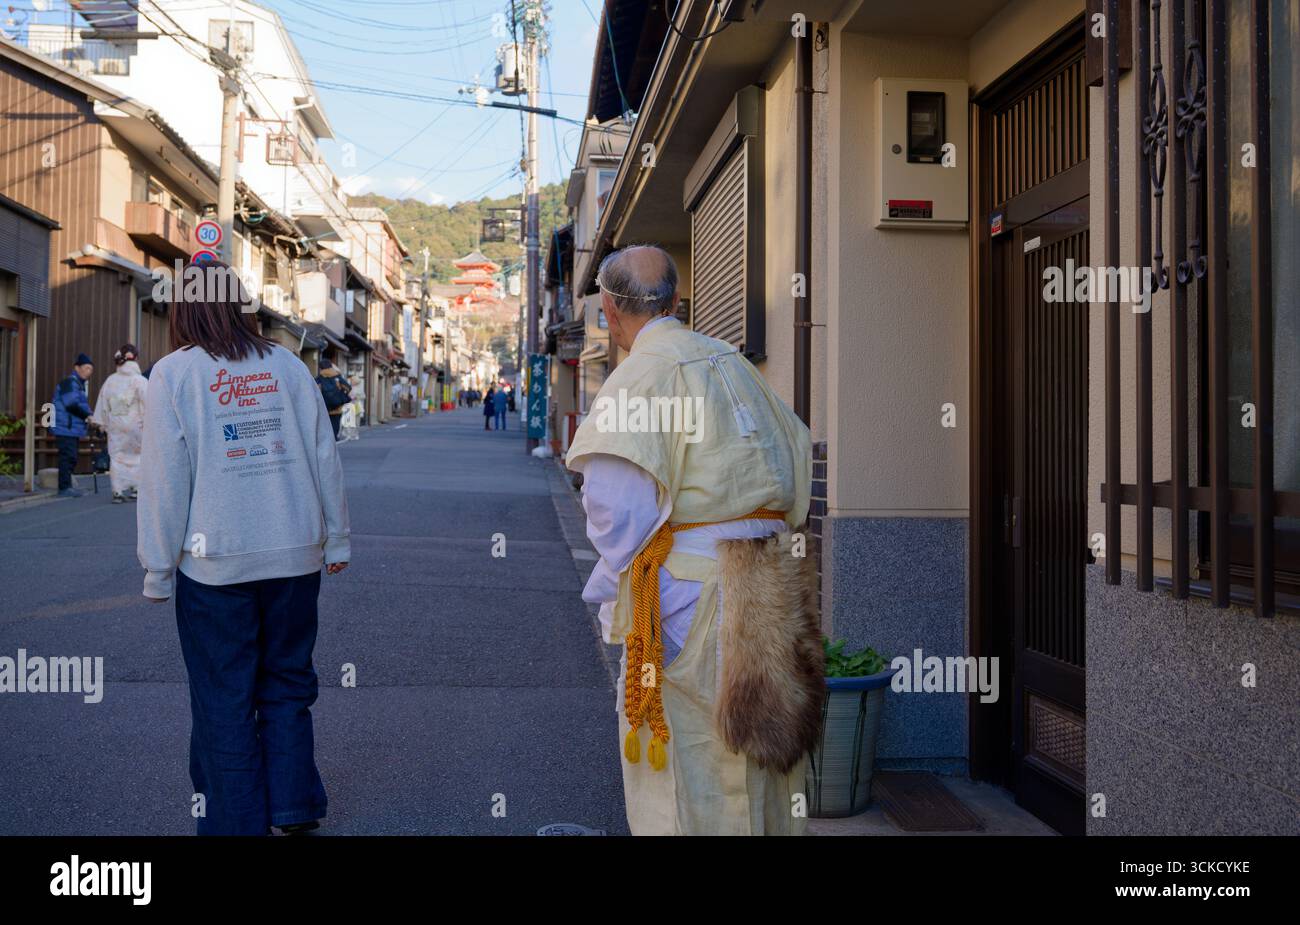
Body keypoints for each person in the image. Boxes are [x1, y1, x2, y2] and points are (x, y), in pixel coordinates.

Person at [566, 245, 821, 836]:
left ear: (608, 307)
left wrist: (612, 582)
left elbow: (617, 506)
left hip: (695, 586)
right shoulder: (731, 362)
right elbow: (798, 452)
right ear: (677, 300)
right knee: (762, 746)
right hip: (770, 576)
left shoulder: (646, 372)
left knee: (695, 746)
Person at [137, 260, 350, 836]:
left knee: (224, 696)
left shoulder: (174, 374)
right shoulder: (285, 364)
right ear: (239, 303)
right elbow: (322, 454)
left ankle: (236, 823)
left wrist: (158, 569)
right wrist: (337, 536)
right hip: (295, 557)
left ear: (183, 308)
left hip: (215, 567)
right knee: (286, 682)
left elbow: (163, 478)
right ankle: (294, 804)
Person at [92, 344, 148, 503]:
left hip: (116, 424)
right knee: (138, 456)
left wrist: (101, 423)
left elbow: (103, 404)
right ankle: (136, 488)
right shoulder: (140, 380)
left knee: (117, 457)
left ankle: (118, 491)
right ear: (135, 359)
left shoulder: (110, 381)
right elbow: (149, 402)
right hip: (137, 425)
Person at [50, 353, 95, 498]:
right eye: (86, 368)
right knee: (67, 457)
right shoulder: (70, 383)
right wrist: (87, 416)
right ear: (77, 367)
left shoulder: (77, 384)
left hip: (70, 428)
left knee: (71, 457)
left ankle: (67, 487)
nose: (89, 372)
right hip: (65, 427)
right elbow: (71, 403)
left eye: (90, 370)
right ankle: (64, 488)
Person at [315, 359, 351, 440]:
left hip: (325, 405)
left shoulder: (319, 378)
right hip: (337, 405)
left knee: (325, 422)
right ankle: (334, 437)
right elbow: (348, 388)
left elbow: (314, 389)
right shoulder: (337, 376)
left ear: (321, 368)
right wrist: (342, 394)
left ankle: (326, 438)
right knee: (336, 421)